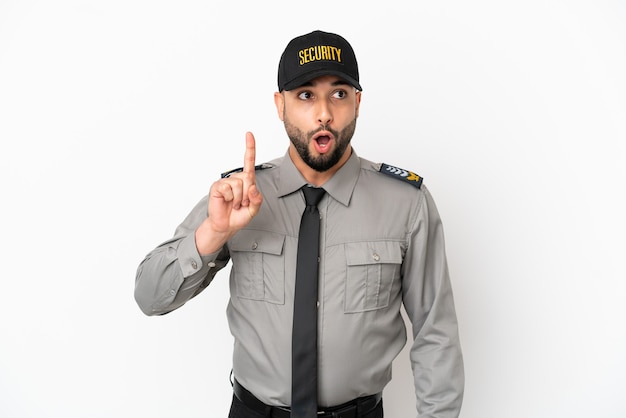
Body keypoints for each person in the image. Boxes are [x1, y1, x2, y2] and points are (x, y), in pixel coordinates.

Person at [135, 30, 464, 418]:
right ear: (281, 105)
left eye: (339, 94)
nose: (323, 112)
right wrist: (213, 234)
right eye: (306, 95)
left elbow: (435, 334)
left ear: (357, 102)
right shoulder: (238, 193)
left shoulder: (406, 203)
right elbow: (149, 296)